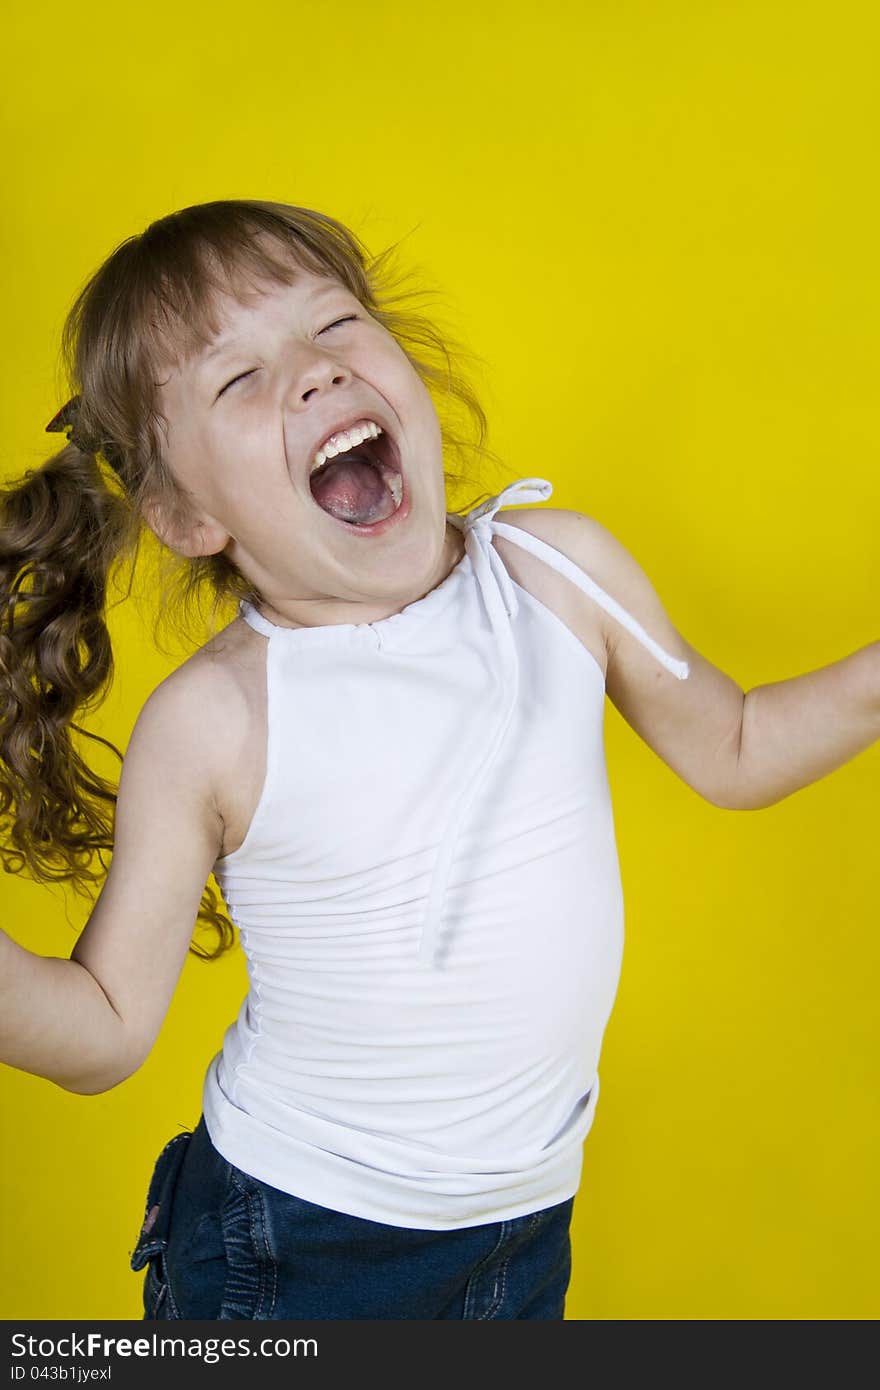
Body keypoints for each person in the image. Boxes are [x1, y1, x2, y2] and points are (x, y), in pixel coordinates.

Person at [1, 199, 877, 1321]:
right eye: (239, 380)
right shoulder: (218, 717)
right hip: (292, 1243)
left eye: (333, 324)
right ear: (183, 518)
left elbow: (737, 746)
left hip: (523, 1223)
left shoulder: (556, 574)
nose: (315, 375)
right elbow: (106, 1023)